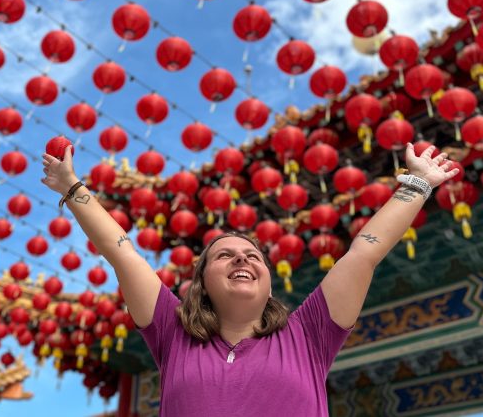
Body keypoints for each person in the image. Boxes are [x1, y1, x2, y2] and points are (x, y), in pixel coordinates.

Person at [41, 142, 458, 416]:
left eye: (253, 256)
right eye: (225, 255)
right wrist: (72, 186)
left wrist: (418, 185)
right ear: (201, 282)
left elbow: (364, 253)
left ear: (268, 281)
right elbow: (121, 252)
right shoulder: (172, 333)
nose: (242, 258)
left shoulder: (310, 334)